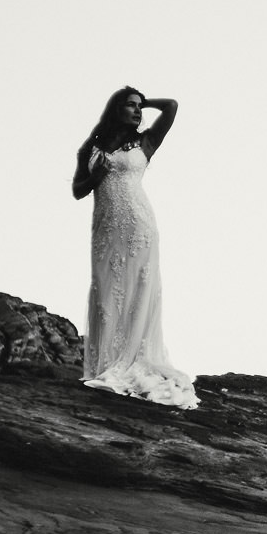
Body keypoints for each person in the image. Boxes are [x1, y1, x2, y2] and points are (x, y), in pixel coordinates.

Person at [71, 87, 198, 408]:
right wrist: (96, 175)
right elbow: (78, 189)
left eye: (140, 107)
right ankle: (107, 364)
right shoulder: (94, 146)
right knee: (106, 292)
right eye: (130, 106)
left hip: (139, 223)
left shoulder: (146, 142)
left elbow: (171, 106)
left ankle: (134, 359)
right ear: (116, 109)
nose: (138, 111)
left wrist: (144, 100)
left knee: (139, 291)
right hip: (106, 227)